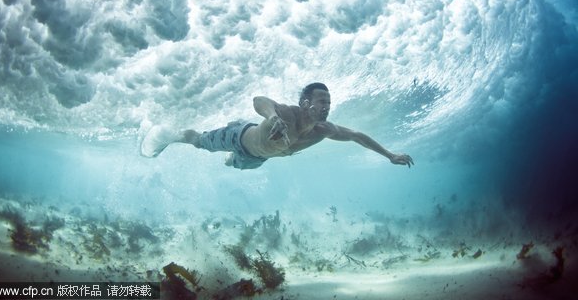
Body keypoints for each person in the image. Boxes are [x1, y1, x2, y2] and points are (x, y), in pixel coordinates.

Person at [140, 82, 414, 169]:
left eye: (329, 102)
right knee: (199, 142)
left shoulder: (324, 130)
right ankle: (170, 135)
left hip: (256, 160)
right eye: (321, 101)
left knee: (231, 165)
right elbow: (260, 100)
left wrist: (390, 155)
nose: (327, 106)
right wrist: (272, 118)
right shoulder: (287, 114)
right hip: (239, 138)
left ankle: (232, 159)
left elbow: (356, 136)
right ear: (305, 103)